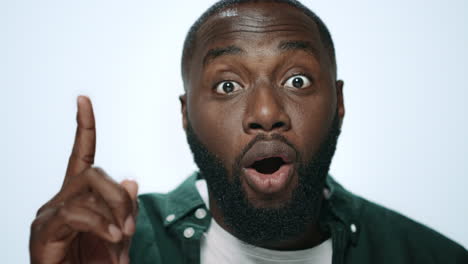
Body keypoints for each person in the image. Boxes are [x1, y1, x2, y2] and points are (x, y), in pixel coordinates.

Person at [29, 0, 467, 263]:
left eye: (297, 81)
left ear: (339, 104)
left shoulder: (431, 257)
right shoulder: (113, 247)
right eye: (227, 85)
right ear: (186, 114)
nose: (265, 112)